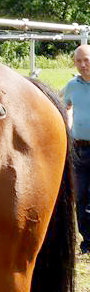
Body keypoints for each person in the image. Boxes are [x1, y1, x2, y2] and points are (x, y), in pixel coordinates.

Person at [62, 44, 90, 254]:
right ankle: (87, 241)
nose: (83, 65)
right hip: (79, 149)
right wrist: (69, 126)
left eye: (86, 60)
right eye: (78, 61)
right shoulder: (72, 85)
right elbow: (66, 106)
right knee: (79, 197)